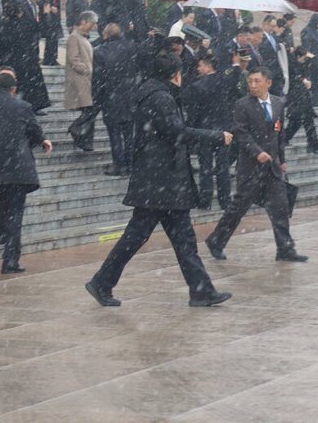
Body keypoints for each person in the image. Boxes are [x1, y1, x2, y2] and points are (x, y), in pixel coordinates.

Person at [85, 52, 233, 309]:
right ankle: (102, 282)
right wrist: (217, 136)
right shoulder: (160, 98)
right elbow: (176, 132)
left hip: (162, 183)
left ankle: (201, 291)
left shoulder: (154, 94)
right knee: (138, 238)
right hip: (161, 184)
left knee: (180, 240)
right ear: (175, 74)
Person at [205, 66, 309, 262]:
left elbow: (279, 134)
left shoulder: (278, 103)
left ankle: (285, 249)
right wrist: (257, 151)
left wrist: (282, 159)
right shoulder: (242, 105)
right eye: (250, 81)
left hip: (273, 167)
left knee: (280, 207)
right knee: (239, 207)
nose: (253, 85)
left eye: (257, 81)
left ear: (268, 83)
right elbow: (241, 133)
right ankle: (216, 240)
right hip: (251, 167)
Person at [0, 71, 52, 273]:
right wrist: (29, 146)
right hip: (17, 170)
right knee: (14, 216)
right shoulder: (23, 107)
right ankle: (10, 261)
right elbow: (34, 133)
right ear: (13, 89)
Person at [183, 52, 242, 209]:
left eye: (201, 65)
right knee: (223, 167)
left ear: (208, 67)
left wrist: (190, 130)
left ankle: (205, 200)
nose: (198, 68)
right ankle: (225, 200)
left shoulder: (197, 86)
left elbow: (194, 113)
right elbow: (236, 77)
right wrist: (236, 64)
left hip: (205, 131)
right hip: (224, 130)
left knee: (206, 167)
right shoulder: (224, 80)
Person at [93, 23, 139, 175]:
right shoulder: (131, 47)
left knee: (114, 134)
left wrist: (96, 98)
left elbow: (98, 79)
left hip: (110, 97)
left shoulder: (101, 52)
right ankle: (131, 164)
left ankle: (119, 164)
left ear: (105, 35)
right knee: (128, 134)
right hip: (129, 96)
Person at [0, 0, 51, 114]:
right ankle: (22, 106)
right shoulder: (16, 0)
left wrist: (45, 14)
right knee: (23, 78)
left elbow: (37, 27)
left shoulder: (31, 4)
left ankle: (34, 105)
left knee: (32, 78)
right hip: (18, 48)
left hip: (29, 47)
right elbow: (11, 23)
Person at [65, 10, 97, 152]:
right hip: (81, 80)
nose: (94, 26)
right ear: (83, 22)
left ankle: (84, 140)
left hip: (86, 80)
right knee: (90, 110)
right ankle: (77, 131)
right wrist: (86, 70)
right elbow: (74, 58)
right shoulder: (74, 37)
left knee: (90, 111)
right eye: (92, 23)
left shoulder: (83, 37)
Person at [284, 47, 318, 153]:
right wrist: (303, 80)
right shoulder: (291, 65)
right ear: (298, 57)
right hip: (297, 99)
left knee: (300, 122)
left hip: (303, 99)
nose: (305, 60)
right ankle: (312, 145)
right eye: (304, 58)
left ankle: (312, 145)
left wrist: (306, 80)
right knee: (298, 123)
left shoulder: (302, 65)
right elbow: (293, 78)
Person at [301, 13, 318, 105]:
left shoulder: (316, 32)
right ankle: (311, 101)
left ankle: (316, 100)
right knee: (312, 82)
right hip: (312, 63)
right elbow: (306, 49)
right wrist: (312, 58)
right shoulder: (306, 31)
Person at [40, 0, 63, 65]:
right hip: (48, 16)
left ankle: (53, 57)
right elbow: (42, 1)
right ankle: (48, 58)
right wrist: (50, 6)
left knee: (55, 39)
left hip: (55, 17)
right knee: (50, 38)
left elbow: (58, 2)